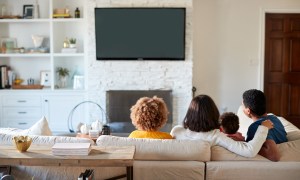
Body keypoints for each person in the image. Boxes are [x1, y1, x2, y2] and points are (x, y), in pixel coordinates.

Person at [170, 94, 274, 158]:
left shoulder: (176, 131)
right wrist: (263, 128)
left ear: (189, 113)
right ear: (214, 114)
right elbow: (250, 151)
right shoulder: (216, 136)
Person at [242, 89, 287, 161]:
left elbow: (274, 156)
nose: (242, 108)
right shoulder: (275, 119)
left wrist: (245, 143)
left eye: (242, 106)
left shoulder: (255, 127)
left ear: (248, 111)